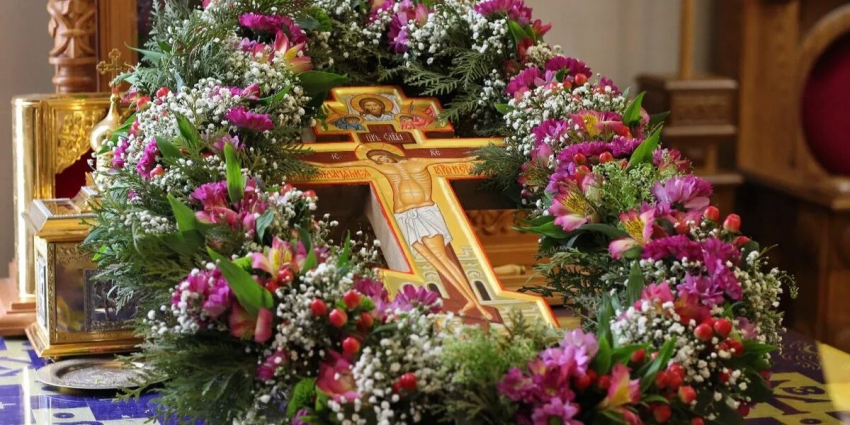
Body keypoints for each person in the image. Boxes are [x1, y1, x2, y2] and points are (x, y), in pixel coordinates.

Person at [315, 149, 492, 320]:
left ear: (389, 153)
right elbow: (347, 164)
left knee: (442, 257)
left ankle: (476, 302)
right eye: (377, 159)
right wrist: (315, 165)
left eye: (381, 156)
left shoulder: (416, 162)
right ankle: (468, 300)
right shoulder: (383, 168)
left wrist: (484, 155)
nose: (380, 160)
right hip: (404, 216)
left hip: (424, 211)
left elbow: (453, 160)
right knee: (434, 262)